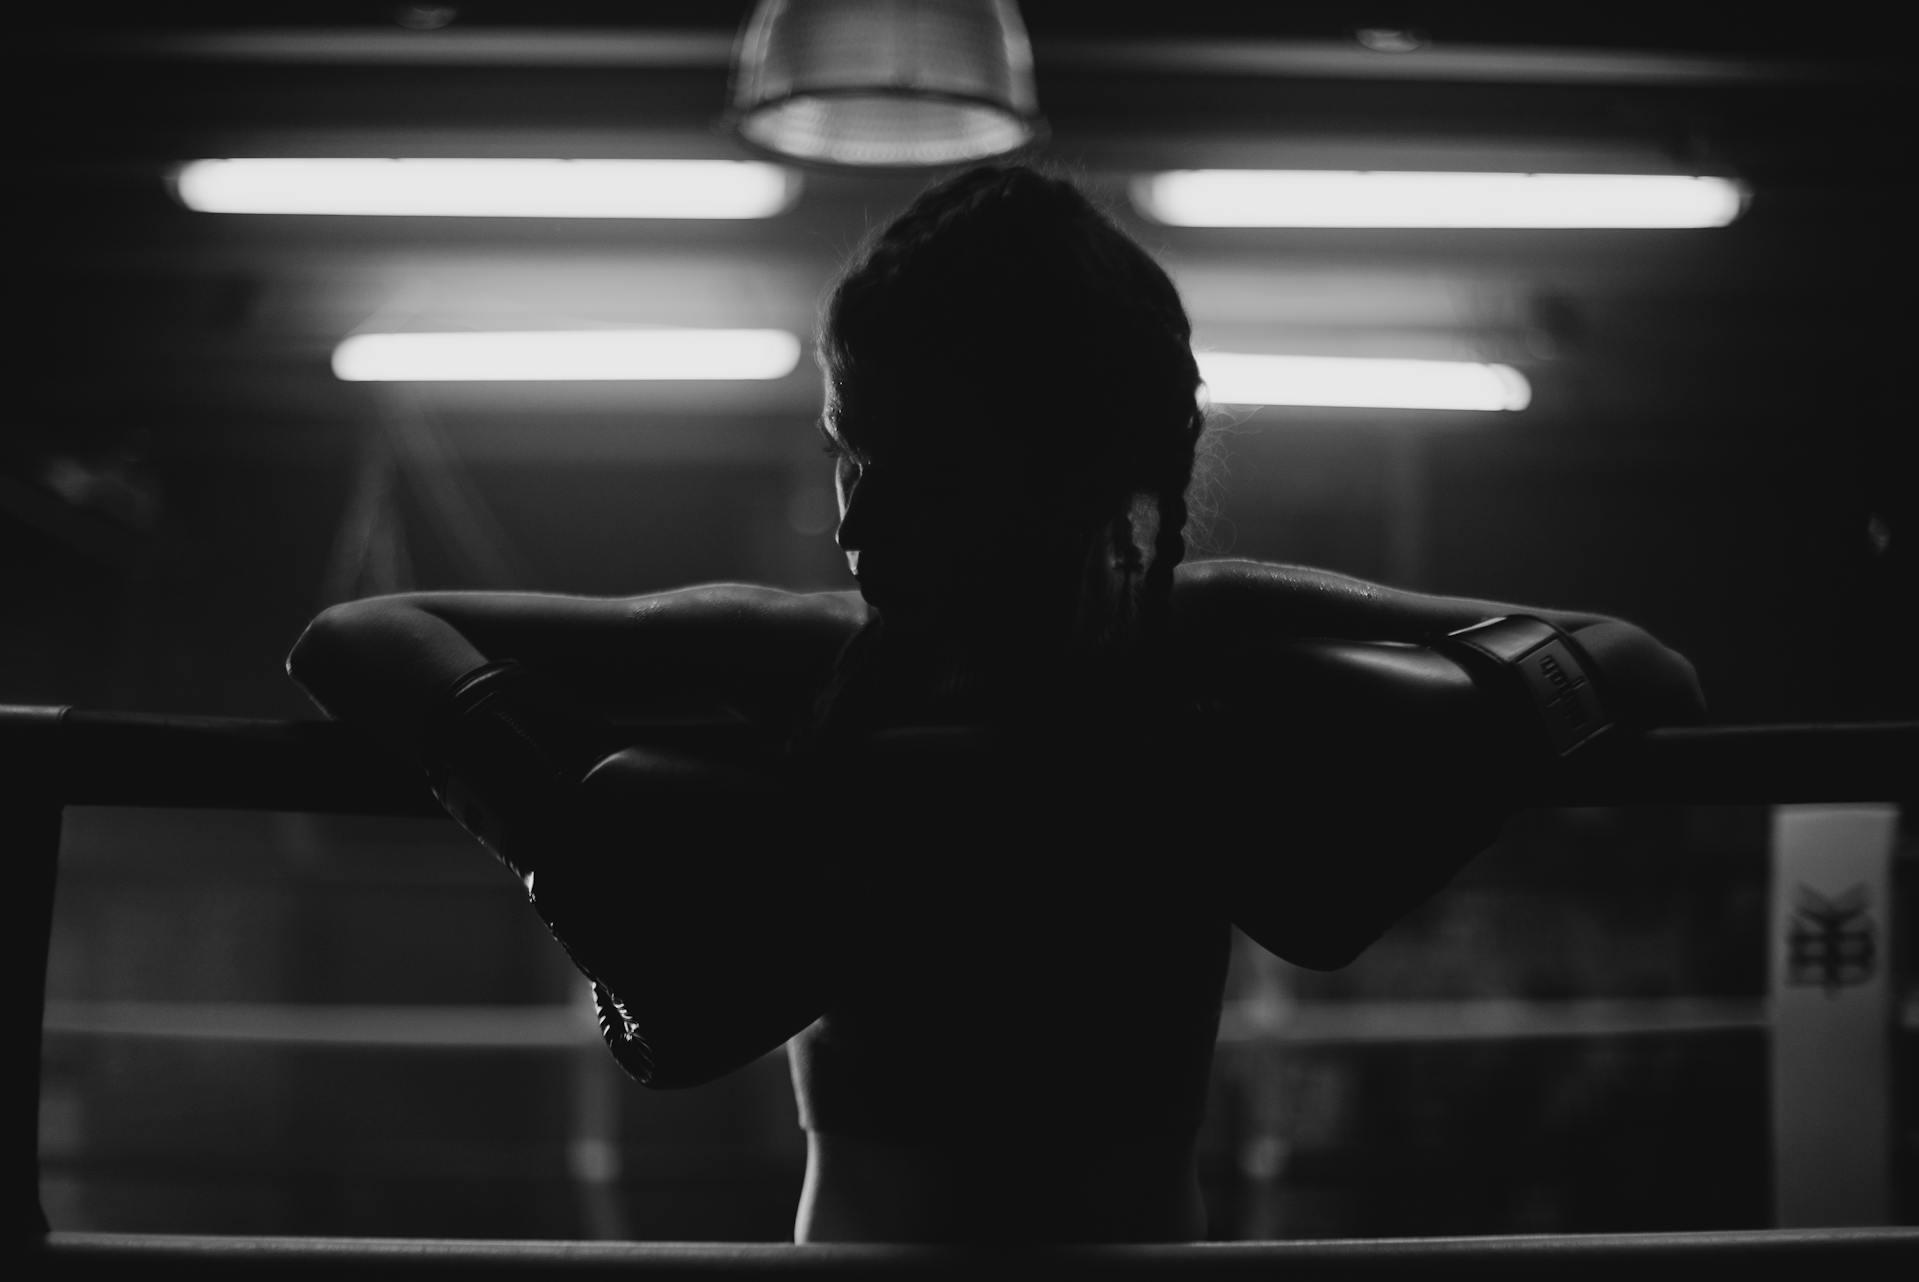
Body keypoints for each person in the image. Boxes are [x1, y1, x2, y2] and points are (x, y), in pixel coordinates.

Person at [285, 164, 1706, 1245]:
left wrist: (1429, 756)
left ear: (1062, 473)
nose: (858, 522)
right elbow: (356, 636)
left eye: (921, 473)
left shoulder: (1198, 637)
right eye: (848, 455)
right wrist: (556, 824)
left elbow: (1638, 659)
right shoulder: (805, 653)